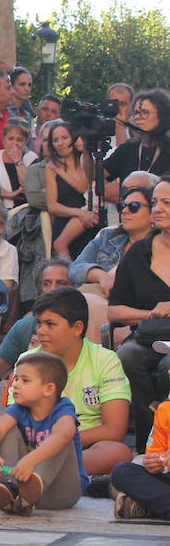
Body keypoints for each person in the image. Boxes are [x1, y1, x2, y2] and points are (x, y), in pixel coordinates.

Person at [10, 288, 132, 479]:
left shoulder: (105, 360)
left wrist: (61, 441)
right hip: (33, 443)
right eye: (39, 323)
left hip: (80, 446)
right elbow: (13, 419)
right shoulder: (27, 360)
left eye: (50, 324)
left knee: (118, 451)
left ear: (77, 328)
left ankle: (38, 475)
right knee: (7, 438)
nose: (40, 331)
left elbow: (114, 430)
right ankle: (51, 475)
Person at [0, 352, 87, 514]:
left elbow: (64, 433)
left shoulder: (62, 408)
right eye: (16, 379)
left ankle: (30, 491)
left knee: (61, 440)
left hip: (62, 492)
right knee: (8, 431)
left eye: (25, 380)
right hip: (23, 484)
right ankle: (11, 489)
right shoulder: (19, 408)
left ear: (48, 389)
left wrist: (31, 460)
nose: (16, 384)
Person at [107, 177, 170, 448]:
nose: (158, 208)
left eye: (167, 202)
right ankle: (148, 442)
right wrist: (150, 314)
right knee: (127, 356)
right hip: (148, 337)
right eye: (155, 202)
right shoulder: (138, 253)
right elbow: (114, 312)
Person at [71, 184, 154, 295]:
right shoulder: (108, 236)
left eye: (134, 206)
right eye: (122, 206)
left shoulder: (162, 245)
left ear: (153, 212)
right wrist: (102, 276)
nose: (124, 211)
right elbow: (75, 268)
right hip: (95, 299)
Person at [44, 122, 100, 258]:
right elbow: (52, 206)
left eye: (64, 138)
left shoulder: (84, 159)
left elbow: (83, 187)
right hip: (65, 222)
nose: (60, 143)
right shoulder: (51, 168)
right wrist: (79, 213)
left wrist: (62, 172)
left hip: (89, 221)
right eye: (55, 140)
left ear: (73, 139)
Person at [104, 89, 170, 203]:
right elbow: (96, 174)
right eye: (135, 113)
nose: (138, 117)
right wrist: (87, 145)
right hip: (131, 213)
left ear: (161, 115)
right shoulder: (128, 148)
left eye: (144, 112)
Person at [109, 399, 170, 520]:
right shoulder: (165, 410)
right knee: (122, 471)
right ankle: (153, 505)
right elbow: (155, 456)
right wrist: (153, 464)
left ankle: (148, 506)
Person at [0, 120, 37, 209]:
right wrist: (9, 194)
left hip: (25, 210)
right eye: (10, 139)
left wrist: (18, 161)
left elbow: (30, 186)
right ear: (3, 139)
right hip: (0, 209)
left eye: (19, 140)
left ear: (25, 142)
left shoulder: (31, 158)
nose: (14, 143)